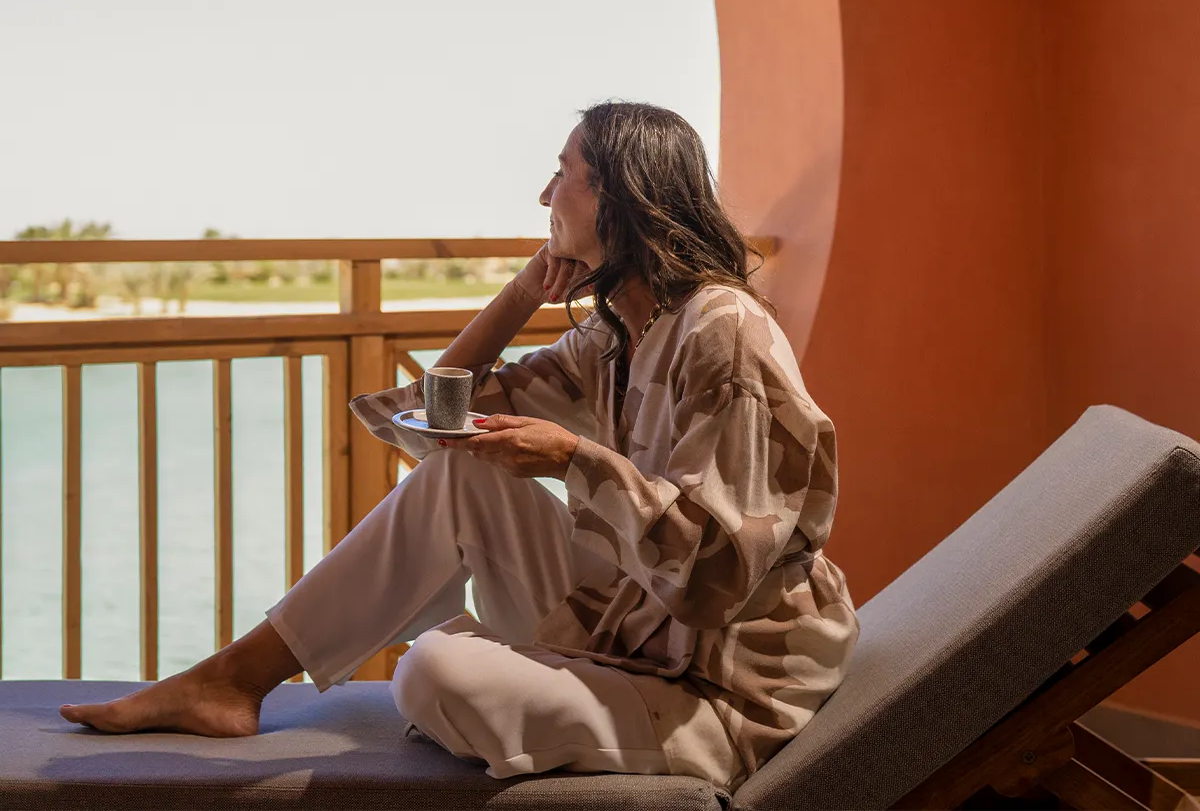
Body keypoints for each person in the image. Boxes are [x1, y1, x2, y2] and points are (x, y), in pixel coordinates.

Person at [59, 99, 859, 794]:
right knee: (461, 482)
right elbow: (435, 419)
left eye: (563, 174)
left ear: (622, 197)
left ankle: (487, 665)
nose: (544, 194)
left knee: (434, 669)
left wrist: (573, 459)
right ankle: (233, 680)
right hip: (635, 625)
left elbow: (718, 575)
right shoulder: (618, 337)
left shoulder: (724, 334)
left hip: (721, 689)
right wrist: (517, 296)